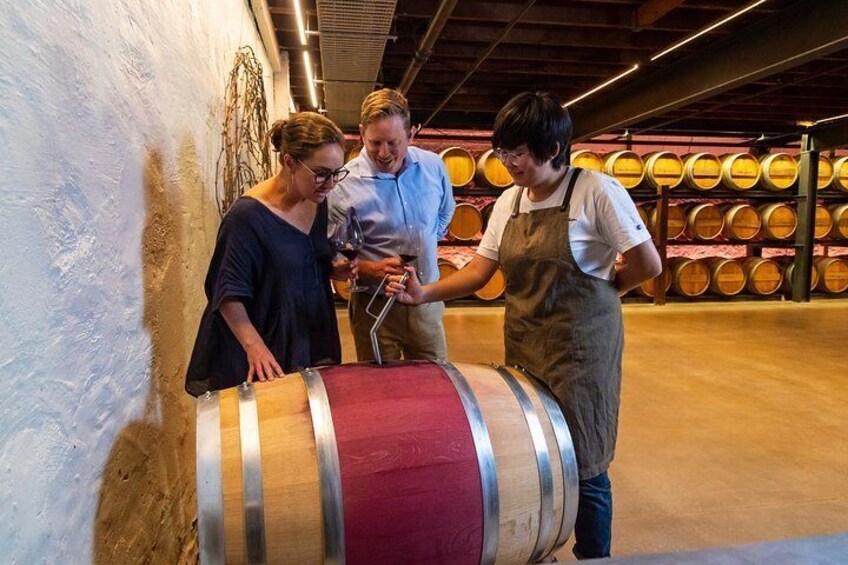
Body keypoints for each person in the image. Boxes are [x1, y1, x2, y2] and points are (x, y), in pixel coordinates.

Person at [388, 92, 662, 559]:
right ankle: (543, 543)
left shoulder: (595, 191)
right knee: (537, 454)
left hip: (582, 351)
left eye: (517, 152)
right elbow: (480, 271)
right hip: (525, 344)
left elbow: (647, 262)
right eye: (502, 151)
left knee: (586, 459)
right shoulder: (509, 202)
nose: (509, 162)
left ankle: (594, 555)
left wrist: (610, 287)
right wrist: (423, 293)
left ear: (552, 148)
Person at [185, 112, 356, 396]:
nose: (330, 183)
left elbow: (299, 258)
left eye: (337, 173)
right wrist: (256, 348)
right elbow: (226, 292)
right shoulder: (247, 217)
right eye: (321, 173)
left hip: (308, 333)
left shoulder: (316, 200)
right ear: (289, 161)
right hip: (266, 343)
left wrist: (330, 267)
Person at [328, 88, 455, 362]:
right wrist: (369, 270)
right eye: (375, 143)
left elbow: (444, 215)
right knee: (381, 394)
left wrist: (426, 239)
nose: (383, 153)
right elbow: (332, 253)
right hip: (373, 307)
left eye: (393, 143)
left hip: (425, 301)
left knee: (434, 385)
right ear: (362, 133)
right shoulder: (344, 183)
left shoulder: (433, 166)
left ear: (411, 135)